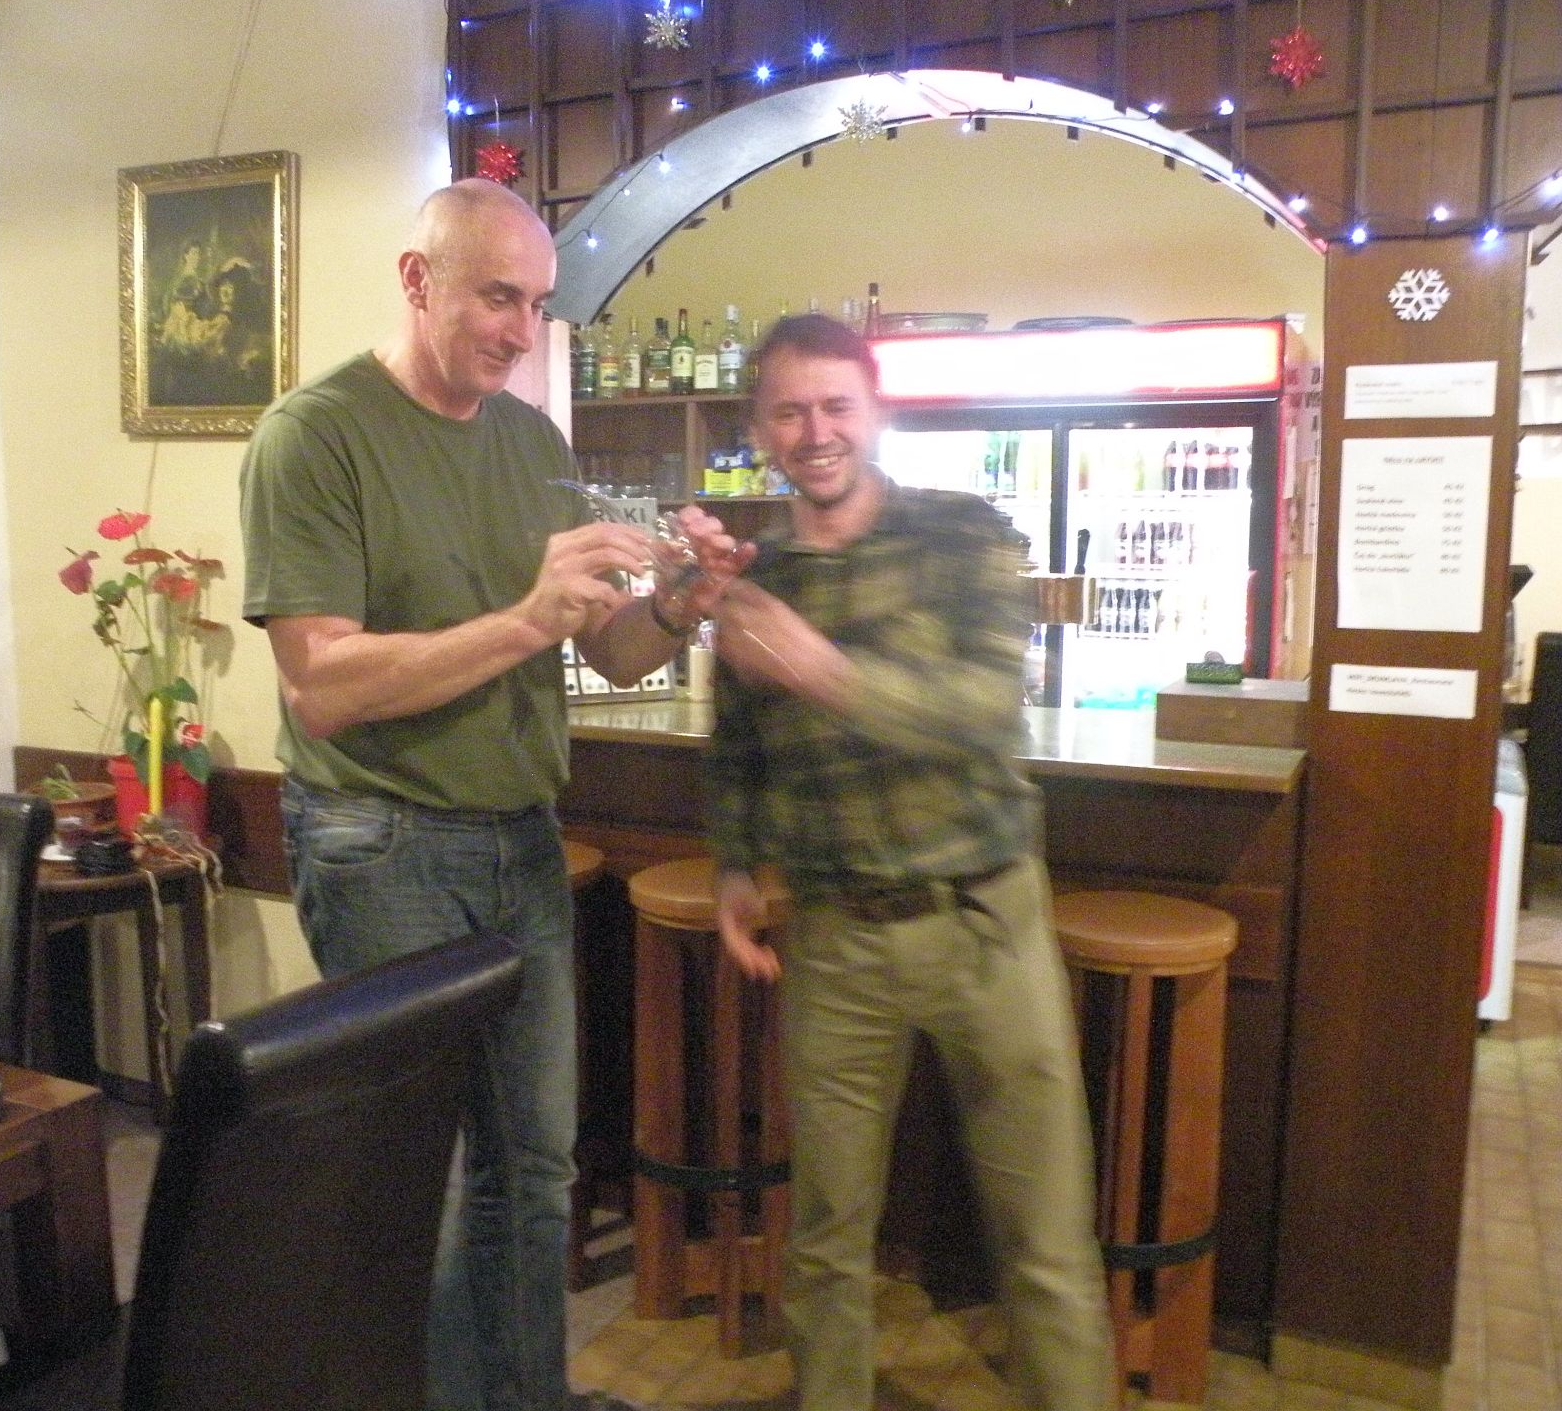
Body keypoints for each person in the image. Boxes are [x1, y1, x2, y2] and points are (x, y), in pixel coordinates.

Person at [239, 177, 748, 1411]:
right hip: (379, 841)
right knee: (415, 1175)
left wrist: (679, 604)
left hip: (522, 837)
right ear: (418, 282)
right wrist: (527, 617)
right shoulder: (314, 436)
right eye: (498, 298)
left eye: (538, 305)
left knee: (533, 1165)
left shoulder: (532, 442)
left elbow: (604, 652)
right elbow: (323, 687)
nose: (523, 332)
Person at [706, 315, 1113, 1411]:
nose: (816, 432)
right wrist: (737, 867)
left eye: (836, 405)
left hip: (989, 926)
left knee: (1046, 1240)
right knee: (826, 1240)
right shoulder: (758, 577)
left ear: (875, 410)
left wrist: (821, 667)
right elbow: (739, 745)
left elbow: (983, 708)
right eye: (790, 412)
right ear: (761, 430)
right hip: (837, 936)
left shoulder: (964, 533)